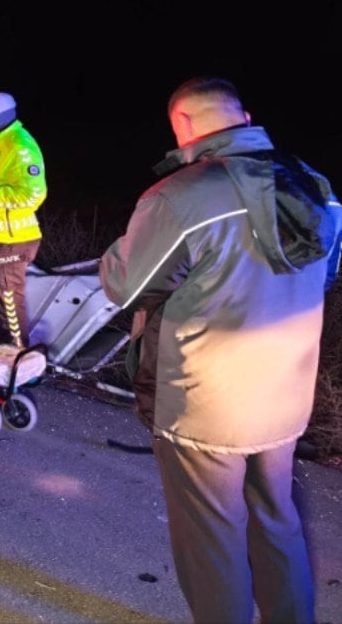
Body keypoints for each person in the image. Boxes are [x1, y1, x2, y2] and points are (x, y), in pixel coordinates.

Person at [99, 77, 341, 623]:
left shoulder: (180, 194)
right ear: (246, 117)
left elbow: (127, 287)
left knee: (213, 543)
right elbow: (323, 274)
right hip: (284, 396)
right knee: (278, 521)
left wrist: (121, 249)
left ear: (181, 126)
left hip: (204, 403)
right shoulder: (315, 186)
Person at [0, 91, 46, 347]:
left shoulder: (20, 146)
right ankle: (0, 338)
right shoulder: (2, 145)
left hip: (14, 239)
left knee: (9, 299)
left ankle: (16, 352)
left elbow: (33, 193)